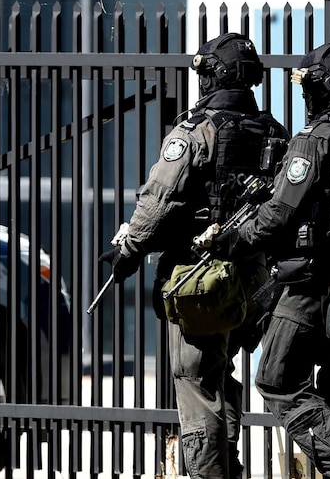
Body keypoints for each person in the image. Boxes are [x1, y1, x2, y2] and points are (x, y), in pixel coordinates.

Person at [207, 40, 330, 479]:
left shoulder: (315, 139)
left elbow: (278, 214)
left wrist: (230, 240)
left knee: (276, 379)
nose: (304, 94)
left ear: (320, 87)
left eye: (307, 85)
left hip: (312, 282)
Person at [98, 32, 290, 479]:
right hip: (256, 279)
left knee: (196, 383)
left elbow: (159, 198)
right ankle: (230, 466)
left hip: (202, 281)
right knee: (221, 376)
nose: (199, 81)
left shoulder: (194, 131)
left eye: (203, 72)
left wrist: (128, 249)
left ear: (213, 77)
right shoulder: (274, 132)